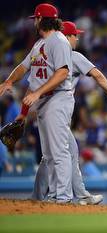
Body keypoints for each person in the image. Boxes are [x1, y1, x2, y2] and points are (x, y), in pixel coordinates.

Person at [30, 21, 107, 204]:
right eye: (74, 35)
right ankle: (59, 196)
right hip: (58, 109)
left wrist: (25, 112)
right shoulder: (73, 55)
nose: (77, 38)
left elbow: (31, 82)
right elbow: (97, 75)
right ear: (67, 37)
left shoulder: (44, 55)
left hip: (43, 108)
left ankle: (78, 195)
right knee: (59, 154)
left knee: (64, 152)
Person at [0, 3, 75, 203]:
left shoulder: (58, 41)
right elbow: (25, 68)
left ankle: (64, 197)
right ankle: (53, 195)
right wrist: (9, 82)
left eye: (36, 18)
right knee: (49, 154)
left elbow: (63, 72)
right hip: (44, 100)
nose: (34, 22)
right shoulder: (39, 44)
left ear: (41, 19)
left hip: (58, 97)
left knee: (59, 151)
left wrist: (37, 94)